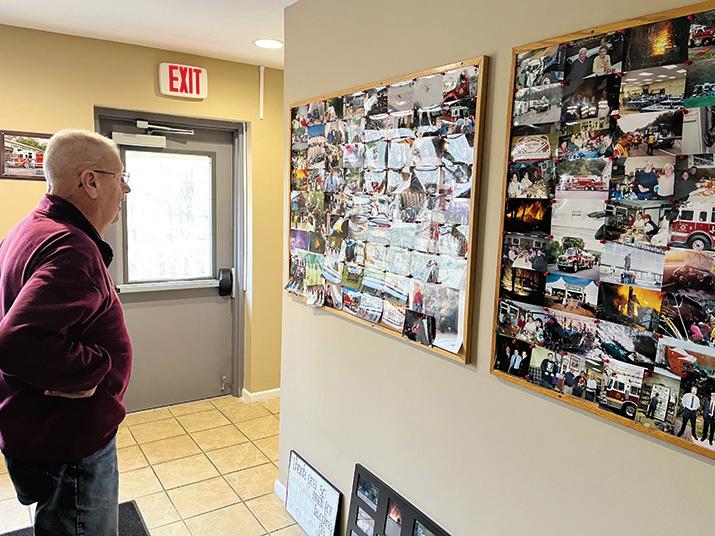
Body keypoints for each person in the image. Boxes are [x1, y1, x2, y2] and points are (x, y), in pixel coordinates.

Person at [0, 130, 132, 535]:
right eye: (119, 177)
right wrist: (94, 370)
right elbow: (17, 340)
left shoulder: (30, 229)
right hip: (72, 442)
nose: (125, 189)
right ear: (90, 181)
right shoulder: (71, 247)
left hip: (39, 430)